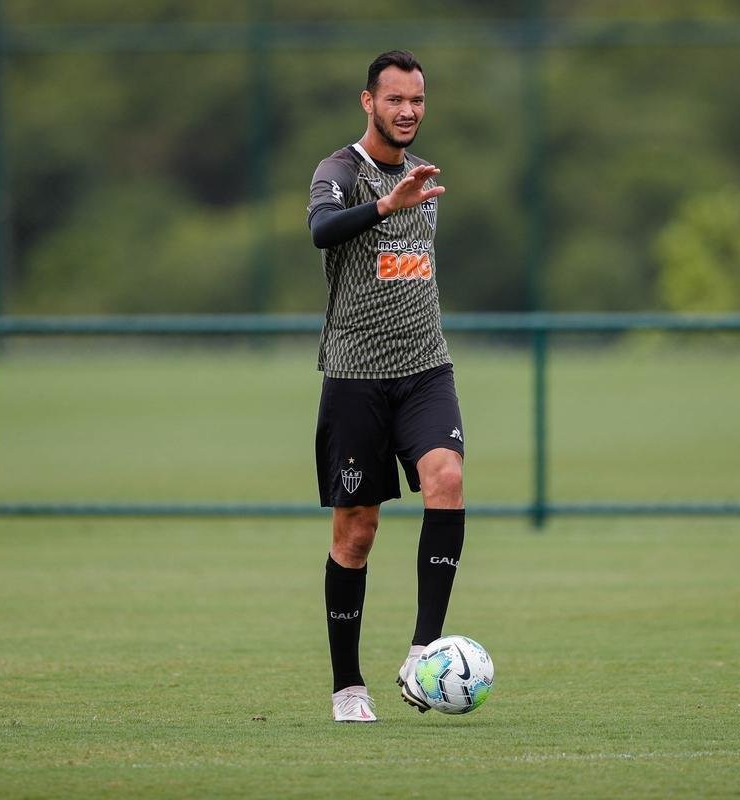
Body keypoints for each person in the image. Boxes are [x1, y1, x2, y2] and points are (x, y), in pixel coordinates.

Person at [306, 50, 466, 723]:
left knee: (447, 480)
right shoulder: (340, 172)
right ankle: (348, 686)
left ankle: (424, 653)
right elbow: (320, 232)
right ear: (367, 101)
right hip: (356, 377)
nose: (408, 111)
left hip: (425, 367)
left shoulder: (425, 175)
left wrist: (404, 197)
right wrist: (383, 206)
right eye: (395, 99)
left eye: (417, 101)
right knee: (358, 532)